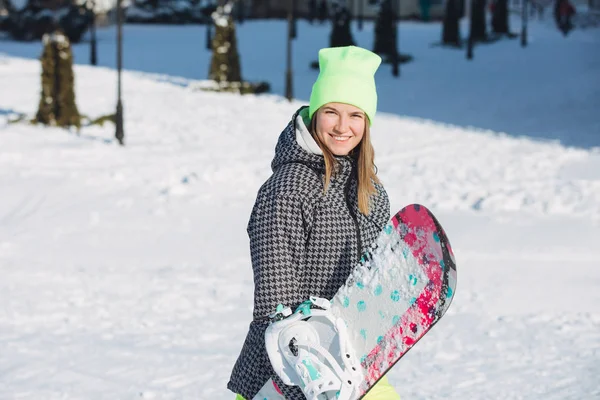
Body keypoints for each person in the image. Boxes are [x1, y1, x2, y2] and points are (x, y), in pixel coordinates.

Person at [227, 45, 401, 400]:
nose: (342, 126)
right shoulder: (288, 190)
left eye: (355, 115)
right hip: (284, 375)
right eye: (331, 112)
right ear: (315, 113)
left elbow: (372, 287)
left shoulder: (372, 194)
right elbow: (276, 304)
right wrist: (310, 372)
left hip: (351, 364)